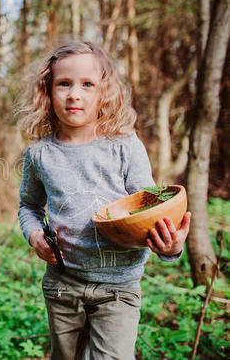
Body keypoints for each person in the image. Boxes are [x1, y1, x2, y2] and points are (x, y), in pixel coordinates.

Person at [16, 42, 191, 359]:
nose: (74, 94)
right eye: (64, 84)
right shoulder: (39, 154)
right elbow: (28, 206)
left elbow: (150, 209)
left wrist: (172, 247)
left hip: (119, 288)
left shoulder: (124, 145)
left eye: (87, 84)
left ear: (104, 93)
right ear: (47, 90)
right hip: (62, 284)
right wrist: (34, 236)